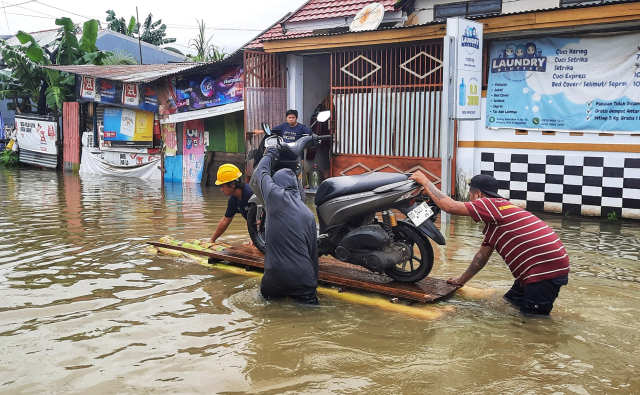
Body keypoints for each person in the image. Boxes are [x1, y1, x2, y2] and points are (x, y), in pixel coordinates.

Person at [410, 172, 570, 315]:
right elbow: (482, 256)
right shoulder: (499, 217)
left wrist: (425, 181)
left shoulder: (491, 204)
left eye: (470, 195)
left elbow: (450, 206)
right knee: (510, 302)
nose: (470, 200)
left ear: (478, 194)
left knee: (533, 323)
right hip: (539, 269)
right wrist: (461, 280)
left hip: (543, 272)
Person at [253, 145, 319, 304]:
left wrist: (270, 152)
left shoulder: (275, 196)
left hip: (275, 277)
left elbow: (261, 172)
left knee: (265, 304)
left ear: (277, 184)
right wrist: (312, 285)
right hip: (304, 278)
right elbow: (313, 255)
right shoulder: (308, 214)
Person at [208, 164, 254, 243]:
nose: (221, 190)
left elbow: (262, 216)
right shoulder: (234, 199)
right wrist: (212, 239)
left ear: (232, 184)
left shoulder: (250, 193)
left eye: (222, 186)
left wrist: (256, 238)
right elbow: (226, 220)